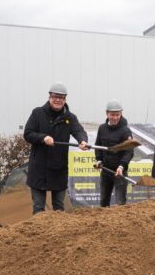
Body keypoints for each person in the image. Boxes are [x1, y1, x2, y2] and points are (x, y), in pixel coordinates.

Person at [24, 82, 88, 214]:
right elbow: (28, 134)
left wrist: (82, 140)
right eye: (55, 97)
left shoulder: (70, 118)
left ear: (65, 100)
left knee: (59, 209)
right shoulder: (37, 113)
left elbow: (79, 131)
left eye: (61, 98)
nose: (58, 100)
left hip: (59, 169)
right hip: (39, 169)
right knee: (38, 208)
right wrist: (43, 138)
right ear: (49, 97)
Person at [94, 99, 134, 207]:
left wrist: (122, 166)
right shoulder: (102, 128)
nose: (115, 118)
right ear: (107, 113)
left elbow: (129, 151)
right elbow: (98, 146)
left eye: (118, 115)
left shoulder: (125, 131)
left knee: (120, 204)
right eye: (112, 115)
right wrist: (99, 160)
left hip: (119, 172)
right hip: (106, 170)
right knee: (103, 203)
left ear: (121, 114)